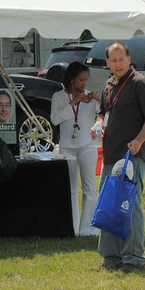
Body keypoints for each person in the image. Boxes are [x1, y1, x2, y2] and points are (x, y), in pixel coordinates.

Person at [96, 42, 145, 273]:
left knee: (129, 206)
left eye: (122, 59)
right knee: (109, 206)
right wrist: (98, 124)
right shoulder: (108, 84)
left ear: (129, 60)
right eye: (114, 60)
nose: (118, 64)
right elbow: (103, 112)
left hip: (131, 156)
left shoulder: (140, 83)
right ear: (108, 64)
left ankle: (133, 258)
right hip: (111, 155)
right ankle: (111, 257)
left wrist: (139, 141)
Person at [50, 62, 101, 237]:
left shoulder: (90, 96)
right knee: (70, 189)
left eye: (86, 79)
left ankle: (87, 229)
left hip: (87, 146)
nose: (84, 84)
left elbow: (108, 111)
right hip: (66, 147)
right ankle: (73, 227)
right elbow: (55, 119)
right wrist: (72, 103)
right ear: (72, 80)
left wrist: (99, 99)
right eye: (81, 80)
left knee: (90, 189)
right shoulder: (58, 96)